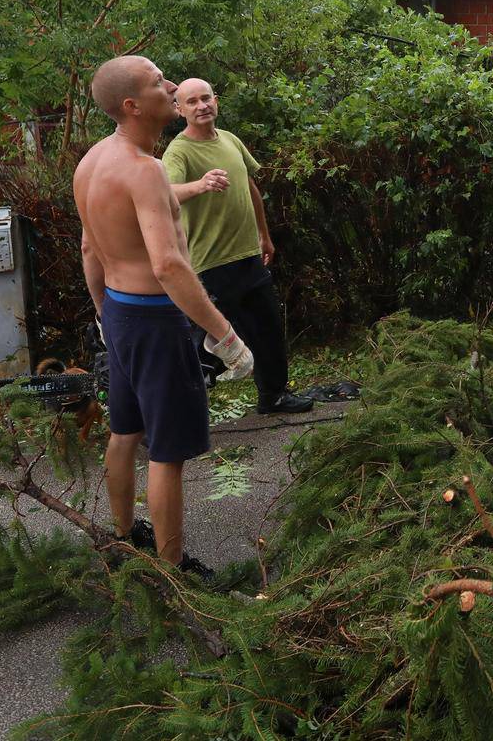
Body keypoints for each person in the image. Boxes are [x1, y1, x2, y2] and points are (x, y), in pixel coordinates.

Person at [74, 56, 254, 576]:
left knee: (125, 431)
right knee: (167, 452)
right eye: (159, 82)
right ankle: (173, 575)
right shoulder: (145, 169)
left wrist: (105, 314)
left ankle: (125, 538)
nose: (171, 86)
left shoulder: (93, 161)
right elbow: (170, 265)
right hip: (154, 320)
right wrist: (225, 336)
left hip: (122, 315)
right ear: (132, 105)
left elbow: (89, 247)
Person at [162, 78, 320, 414]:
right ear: (178, 110)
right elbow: (165, 194)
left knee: (268, 329)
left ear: (216, 101)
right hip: (210, 263)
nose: (202, 106)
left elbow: (250, 189)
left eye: (206, 98)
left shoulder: (231, 140)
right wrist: (201, 185)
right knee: (203, 347)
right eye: (192, 101)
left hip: (248, 254)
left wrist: (264, 234)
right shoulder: (178, 151)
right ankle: (174, 412)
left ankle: (273, 396)